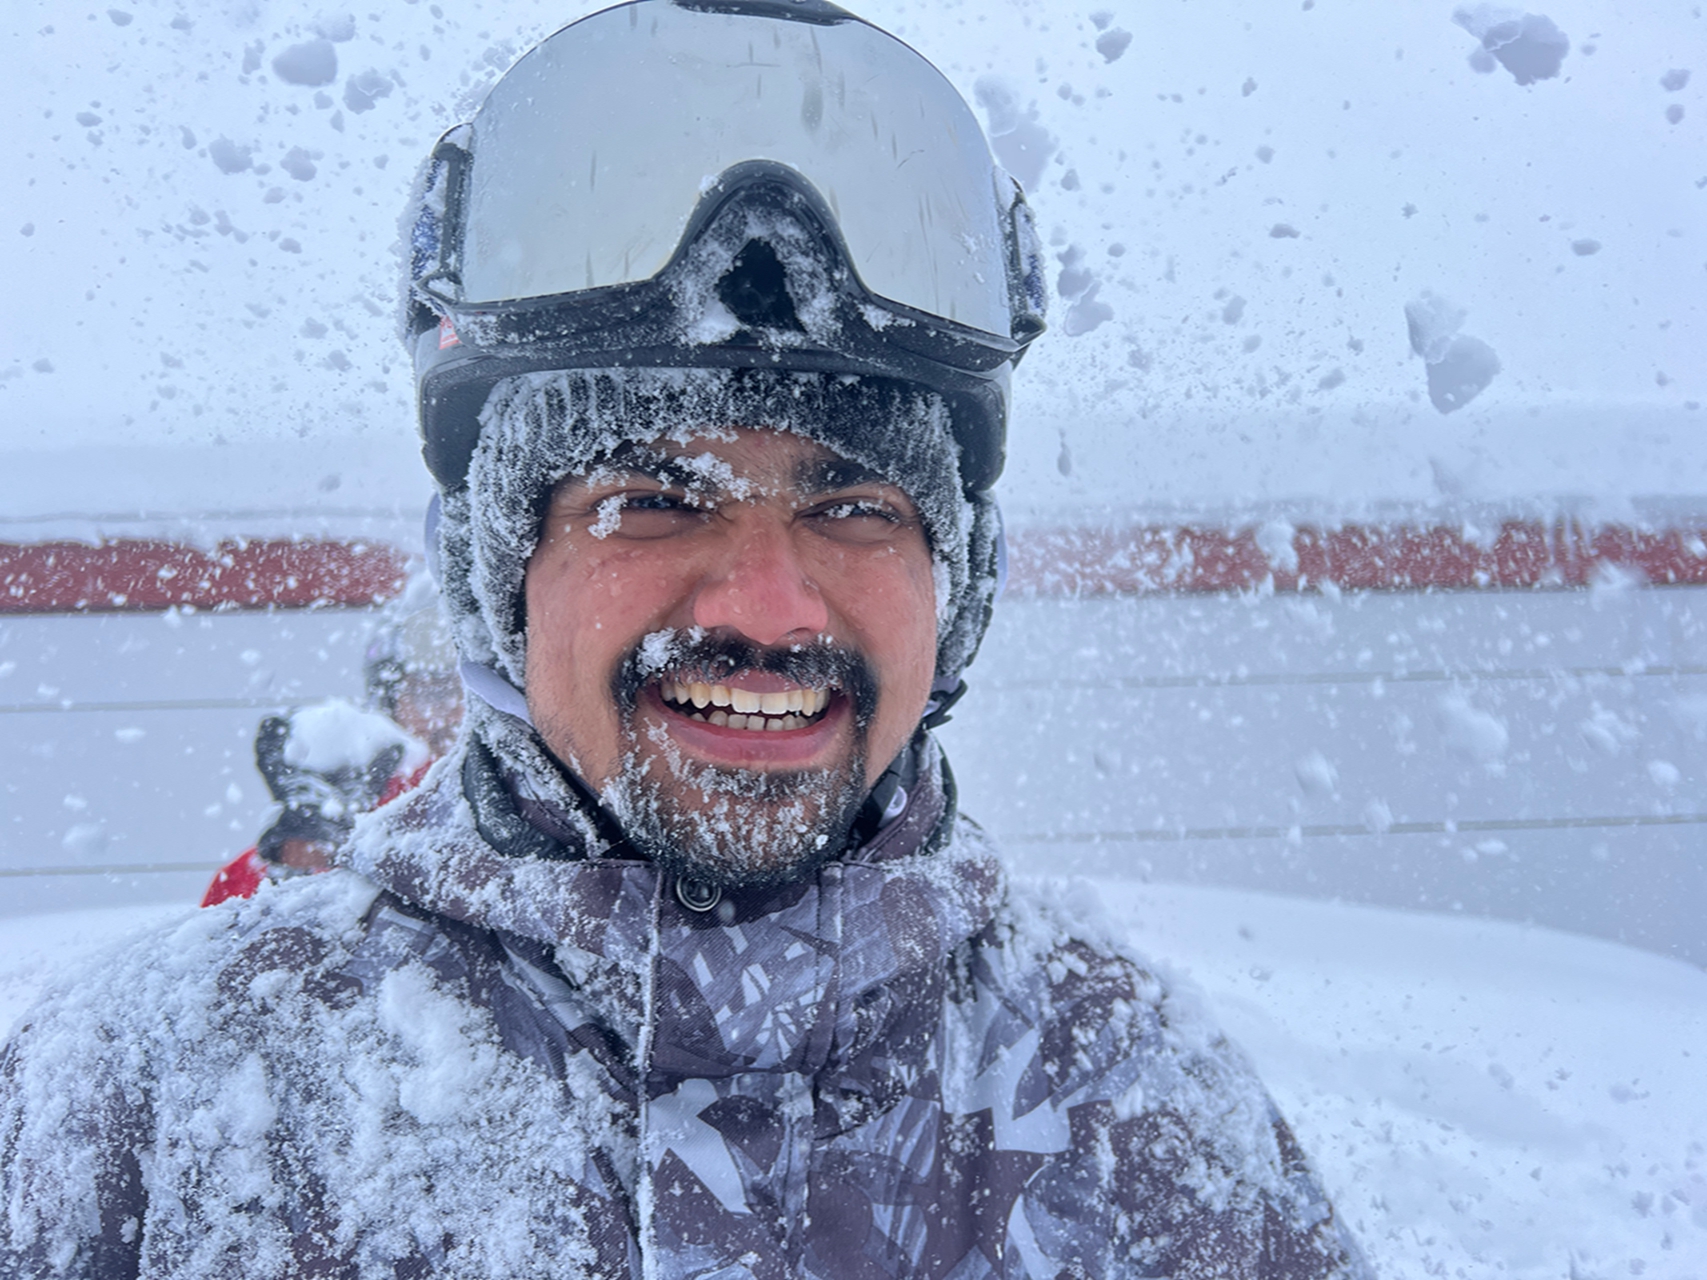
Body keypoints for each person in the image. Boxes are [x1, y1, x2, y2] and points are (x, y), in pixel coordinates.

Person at [0, 2, 1369, 1275]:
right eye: (649, 502)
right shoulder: (157, 1098)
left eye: (851, 502)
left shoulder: (1129, 1103)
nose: (765, 609)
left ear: (958, 587)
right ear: (501, 579)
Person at [200, 583, 463, 906]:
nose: (459, 713)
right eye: (434, 694)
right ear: (390, 706)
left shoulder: (535, 808)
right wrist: (301, 865)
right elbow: (220, 941)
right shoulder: (348, 814)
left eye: (478, 696)